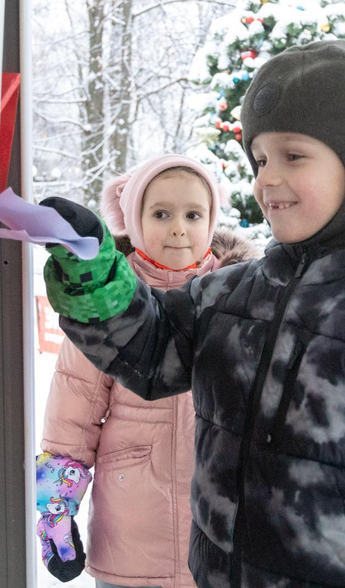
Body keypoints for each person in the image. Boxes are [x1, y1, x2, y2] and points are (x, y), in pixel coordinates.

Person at [41, 40, 345, 587]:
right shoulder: (233, 294)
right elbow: (149, 348)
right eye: (260, 159)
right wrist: (95, 270)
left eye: (293, 156)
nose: (267, 179)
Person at [35, 155, 257, 587]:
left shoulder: (242, 303)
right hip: (130, 537)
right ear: (134, 221)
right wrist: (55, 512)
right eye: (161, 213)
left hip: (222, 540)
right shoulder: (104, 309)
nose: (179, 227)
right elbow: (70, 420)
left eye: (193, 214)